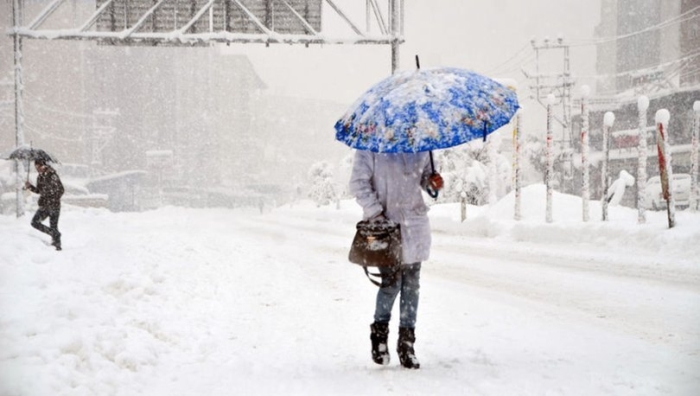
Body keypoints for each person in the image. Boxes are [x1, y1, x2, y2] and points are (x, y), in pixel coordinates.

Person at [349, 150, 444, 369]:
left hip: (415, 224)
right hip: (386, 226)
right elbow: (358, 183)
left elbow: (426, 179)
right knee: (391, 284)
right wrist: (376, 214)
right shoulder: (371, 146)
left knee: (412, 286)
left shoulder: (420, 145)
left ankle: (407, 344)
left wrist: (433, 183)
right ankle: (380, 335)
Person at [24, 159, 64, 250]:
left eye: (39, 166)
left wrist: (52, 198)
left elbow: (61, 190)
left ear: (44, 165)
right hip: (44, 206)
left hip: (54, 205)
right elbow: (39, 191)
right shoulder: (40, 177)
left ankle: (57, 246)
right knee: (34, 222)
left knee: (53, 226)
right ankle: (55, 234)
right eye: (36, 167)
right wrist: (30, 186)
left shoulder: (52, 175)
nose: (38, 169)